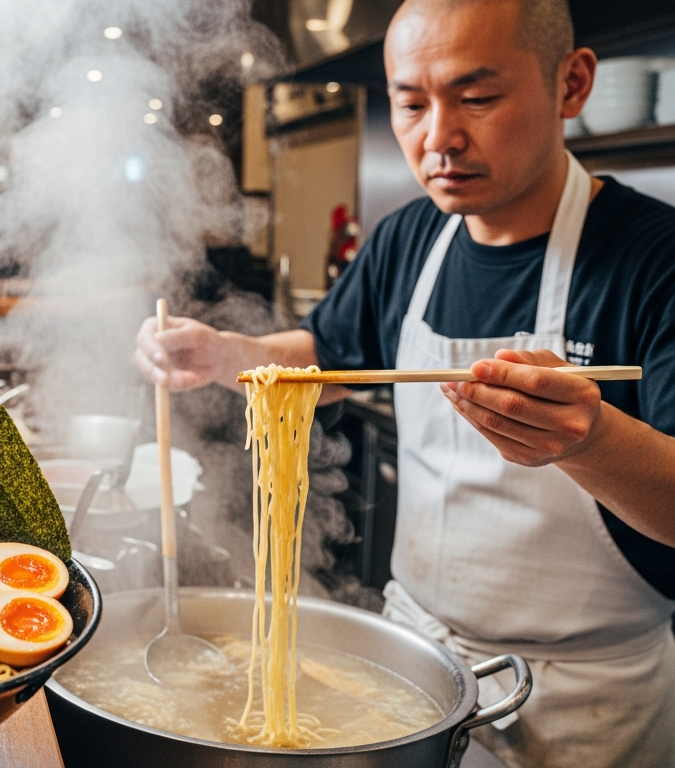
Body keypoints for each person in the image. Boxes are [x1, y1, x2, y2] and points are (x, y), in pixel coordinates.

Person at [136, 1, 675, 766]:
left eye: (478, 98)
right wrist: (228, 354)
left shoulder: (655, 262)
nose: (439, 137)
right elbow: (327, 360)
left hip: (590, 699)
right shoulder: (409, 238)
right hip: (413, 664)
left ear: (572, 84)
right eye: (411, 103)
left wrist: (589, 440)